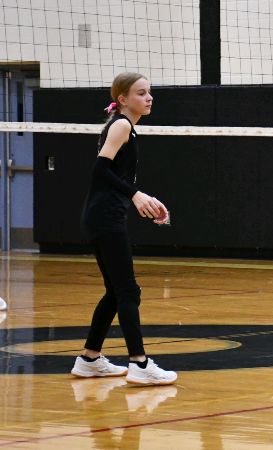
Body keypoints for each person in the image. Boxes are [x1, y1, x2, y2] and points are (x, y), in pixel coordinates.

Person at [71, 72, 177, 386]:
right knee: (128, 291)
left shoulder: (125, 126)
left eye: (150, 92)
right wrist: (136, 194)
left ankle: (89, 359)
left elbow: (112, 176)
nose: (149, 98)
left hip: (102, 217)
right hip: (104, 219)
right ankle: (140, 364)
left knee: (116, 293)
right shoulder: (121, 124)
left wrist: (141, 198)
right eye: (141, 93)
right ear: (123, 99)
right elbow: (99, 170)